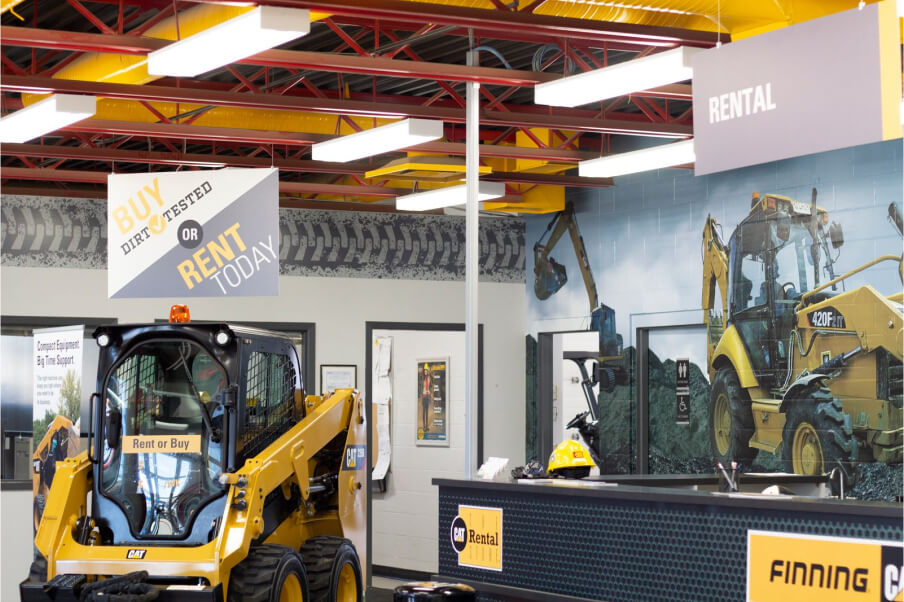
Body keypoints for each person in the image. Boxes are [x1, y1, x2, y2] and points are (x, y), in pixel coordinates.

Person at [420, 364, 433, 433]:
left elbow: (430, 386)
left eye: (426, 371)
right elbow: (421, 388)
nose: (425, 372)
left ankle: (427, 426)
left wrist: (430, 391)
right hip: (424, 396)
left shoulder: (429, 378)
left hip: (427, 396)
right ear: (423, 371)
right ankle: (424, 426)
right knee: (423, 412)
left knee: (427, 412)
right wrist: (422, 394)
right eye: (424, 371)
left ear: (428, 371)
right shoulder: (422, 378)